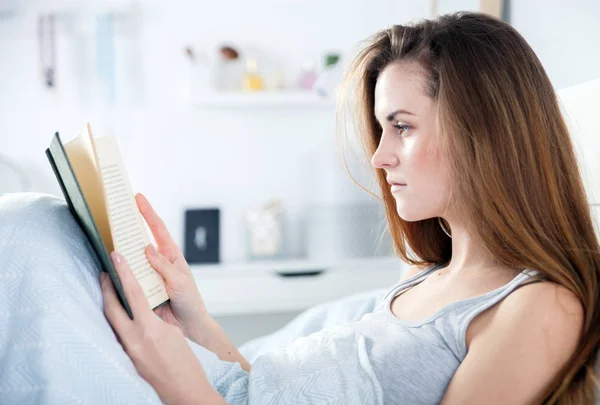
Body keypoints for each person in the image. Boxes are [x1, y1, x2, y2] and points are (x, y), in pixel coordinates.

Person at [1, 11, 598, 405]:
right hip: (208, 385)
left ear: (484, 131)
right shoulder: (430, 278)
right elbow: (271, 389)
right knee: (40, 227)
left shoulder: (537, 306)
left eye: (402, 127)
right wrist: (194, 323)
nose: (382, 156)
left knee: (23, 235)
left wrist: (178, 378)